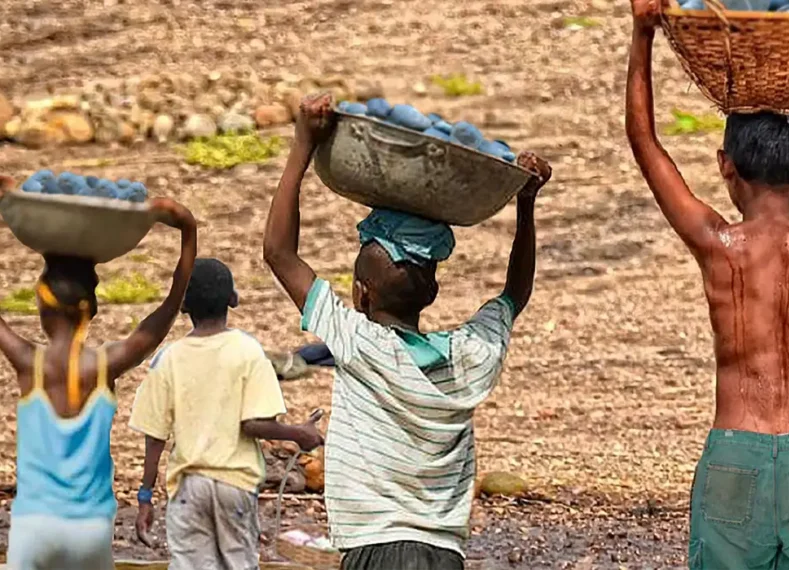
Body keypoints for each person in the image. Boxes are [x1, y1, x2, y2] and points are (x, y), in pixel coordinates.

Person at [263, 92, 552, 570]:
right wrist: (526, 204)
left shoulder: (358, 343)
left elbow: (278, 253)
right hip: (444, 554)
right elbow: (513, 294)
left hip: (376, 547)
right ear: (432, 293)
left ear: (361, 295)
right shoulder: (468, 355)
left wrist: (302, 146)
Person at [626, 3, 789, 568]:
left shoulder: (717, 245)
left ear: (724, 164)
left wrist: (642, 35)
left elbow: (644, 141)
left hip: (737, 449)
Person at [0, 175, 197, 570]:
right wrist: (188, 229)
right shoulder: (107, 365)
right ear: (92, 307)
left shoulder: (28, 363)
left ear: (41, 304)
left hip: (35, 527)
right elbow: (170, 306)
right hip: (90, 528)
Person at [129, 257, 324, 570]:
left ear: (183, 307)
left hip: (189, 487)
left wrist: (145, 496)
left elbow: (154, 436)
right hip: (235, 485)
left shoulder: (168, 359)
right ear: (233, 299)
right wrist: (300, 433)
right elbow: (254, 424)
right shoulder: (248, 351)